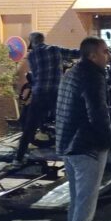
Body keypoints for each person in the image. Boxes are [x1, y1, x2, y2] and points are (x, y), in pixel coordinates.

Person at [55, 37, 111, 221]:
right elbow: (97, 112)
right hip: (87, 148)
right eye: (104, 52)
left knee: (76, 204)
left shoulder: (72, 72)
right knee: (85, 208)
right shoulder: (93, 76)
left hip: (68, 146)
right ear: (92, 55)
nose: (107, 56)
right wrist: (107, 141)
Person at [15, 32, 81, 162]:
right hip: (56, 93)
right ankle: (74, 156)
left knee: (29, 127)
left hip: (39, 94)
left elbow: (35, 74)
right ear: (43, 39)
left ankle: (18, 158)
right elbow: (75, 53)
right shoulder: (54, 50)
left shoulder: (31, 55)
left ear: (33, 42)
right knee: (68, 123)